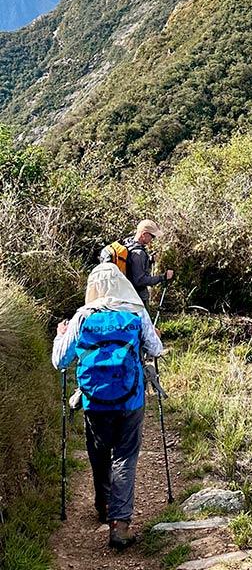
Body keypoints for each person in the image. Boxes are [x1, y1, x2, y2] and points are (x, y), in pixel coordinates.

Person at [52, 262, 163, 550]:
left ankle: (103, 503)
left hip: (94, 400)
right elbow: (155, 350)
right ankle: (120, 525)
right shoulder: (137, 312)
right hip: (131, 399)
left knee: (100, 453)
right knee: (125, 456)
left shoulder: (82, 316)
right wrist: (155, 340)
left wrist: (59, 335)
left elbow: (60, 361)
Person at [110, 219, 174, 307]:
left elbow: (130, 265)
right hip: (137, 298)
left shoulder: (127, 243)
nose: (152, 239)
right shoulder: (139, 253)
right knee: (144, 321)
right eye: (152, 236)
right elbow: (140, 281)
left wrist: (150, 260)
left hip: (123, 293)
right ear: (144, 234)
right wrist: (163, 277)